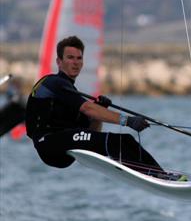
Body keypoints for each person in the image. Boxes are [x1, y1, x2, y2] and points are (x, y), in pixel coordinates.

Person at [25, 35, 165, 176]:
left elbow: (92, 132)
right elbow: (88, 108)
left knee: (125, 140)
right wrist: (127, 120)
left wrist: (100, 112)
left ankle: (156, 173)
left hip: (65, 147)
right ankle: (156, 174)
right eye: (70, 57)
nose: (75, 63)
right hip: (49, 144)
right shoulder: (54, 83)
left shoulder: (70, 93)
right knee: (117, 142)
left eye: (79, 58)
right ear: (59, 62)